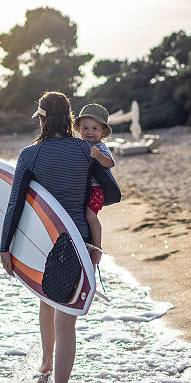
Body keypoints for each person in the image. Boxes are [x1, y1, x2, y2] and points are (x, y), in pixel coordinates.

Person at [0, 91, 119, 383]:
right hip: (77, 243)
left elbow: (15, 206)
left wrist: (6, 248)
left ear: (41, 118)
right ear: (70, 119)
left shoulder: (29, 154)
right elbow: (112, 191)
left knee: (45, 299)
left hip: (41, 245)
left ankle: (46, 367)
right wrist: (95, 245)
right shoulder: (87, 149)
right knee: (66, 320)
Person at [73, 104, 114, 266]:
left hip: (96, 189)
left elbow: (109, 163)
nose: (89, 132)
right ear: (79, 129)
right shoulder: (79, 145)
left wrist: (98, 156)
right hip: (82, 188)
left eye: (94, 128)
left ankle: (97, 246)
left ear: (103, 132)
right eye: (85, 128)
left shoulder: (101, 147)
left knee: (91, 216)